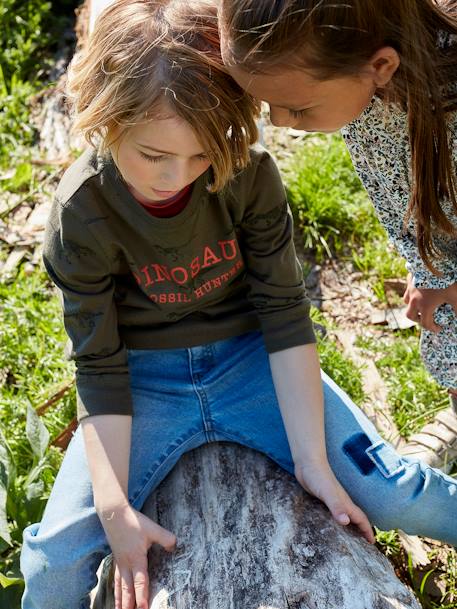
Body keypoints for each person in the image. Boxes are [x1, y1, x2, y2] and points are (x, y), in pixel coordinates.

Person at [20, 1, 457, 609]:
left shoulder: (246, 173)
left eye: (201, 155)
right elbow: (98, 364)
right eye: (154, 156)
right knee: (51, 566)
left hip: (251, 363)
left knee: (389, 491)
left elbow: (284, 313)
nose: (180, 175)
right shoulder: (80, 212)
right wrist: (114, 507)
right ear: (104, 117)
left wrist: (313, 462)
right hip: (142, 381)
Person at [218, 0, 457, 465]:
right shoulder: (367, 87)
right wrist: (431, 267)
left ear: (381, 66)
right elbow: (406, 194)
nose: (279, 121)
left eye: (295, 106)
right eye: (267, 103)